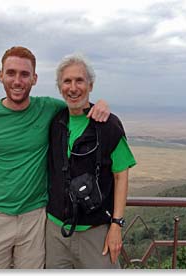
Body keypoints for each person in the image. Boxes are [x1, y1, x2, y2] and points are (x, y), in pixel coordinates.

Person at [0, 46, 110, 269]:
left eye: (24, 74)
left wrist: (101, 104)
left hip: (35, 218)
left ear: (34, 79)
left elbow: (78, 102)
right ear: (0, 75)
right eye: (10, 73)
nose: (17, 81)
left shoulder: (48, 108)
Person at [46, 53, 136, 269]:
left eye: (79, 80)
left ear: (91, 85)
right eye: (67, 81)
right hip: (55, 231)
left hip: (96, 232)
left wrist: (116, 225)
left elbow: (121, 175)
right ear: (60, 87)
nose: (73, 87)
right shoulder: (55, 122)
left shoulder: (108, 125)